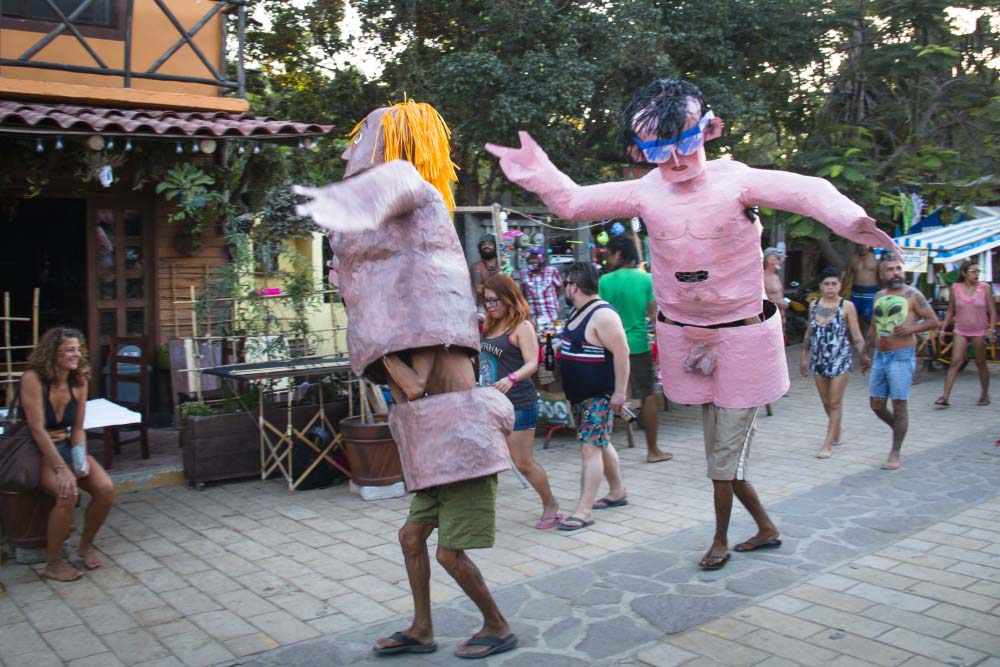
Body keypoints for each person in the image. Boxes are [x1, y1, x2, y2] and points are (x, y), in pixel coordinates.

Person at [486, 77, 898, 570]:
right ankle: (765, 527)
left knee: (720, 459)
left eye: (684, 142)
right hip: (684, 336)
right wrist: (540, 173)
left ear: (709, 130)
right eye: (658, 150)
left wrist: (850, 220)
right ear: (641, 151)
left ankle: (720, 539)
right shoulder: (645, 191)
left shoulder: (736, 179)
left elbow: (808, 190)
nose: (676, 160)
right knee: (722, 457)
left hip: (744, 336)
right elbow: (573, 203)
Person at [295, 100, 517, 659]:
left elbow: (414, 388)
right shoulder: (416, 309)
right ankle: (422, 628)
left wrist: (372, 349)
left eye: (359, 142)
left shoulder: (416, 194)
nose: (350, 153)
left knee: (448, 553)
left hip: (461, 443)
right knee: (411, 536)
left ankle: (497, 625)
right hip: (430, 440)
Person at [20, 327, 114, 582]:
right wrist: (61, 468)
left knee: (105, 488)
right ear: (53, 353)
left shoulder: (79, 380)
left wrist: (80, 458)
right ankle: (54, 563)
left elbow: (78, 428)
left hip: (66, 445)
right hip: (36, 451)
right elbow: (37, 429)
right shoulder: (33, 379)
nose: (76, 355)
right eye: (69, 350)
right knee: (67, 493)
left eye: (78, 349)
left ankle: (85, 545)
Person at [480, 274, 561, 528]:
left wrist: (511, 378)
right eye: (486, 301)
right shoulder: (491, 326)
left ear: (508, 298)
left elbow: (533, 362)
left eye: (494, 301)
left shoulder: (522, 326)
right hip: (491, 403)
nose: (490, 306)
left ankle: (551, 504)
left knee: (523, 463)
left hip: (518, 402)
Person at [556, 262, 630, 531]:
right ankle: (617, 490)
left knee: (590, 448)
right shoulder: (577, 311)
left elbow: (622, 353)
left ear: (574, 286)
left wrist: (620, 392)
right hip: (579, 395)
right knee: (599, 442)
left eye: (566, 284)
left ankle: (584, 510)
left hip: (598, 395)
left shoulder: (603, 315)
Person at [599, 235, 672, 463]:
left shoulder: (604, 282)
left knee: (606, 397)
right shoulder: (646, 280)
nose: (608, 257)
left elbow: (600, 316)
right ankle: (653, 451)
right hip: (638, 345)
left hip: (610, 345)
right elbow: (654, 316)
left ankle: (601, 450)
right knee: (647, 396)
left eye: (610, 252)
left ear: (619, 254)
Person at [867, 254, 939, 471]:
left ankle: (895, 452)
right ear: (882, 274)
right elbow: (873, 325)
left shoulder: (913, 295)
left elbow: (934, 320)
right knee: (876, 405)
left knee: (899, 406)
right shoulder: (879, 295)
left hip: (901, 356)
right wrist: (864, 352)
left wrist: (911, 329)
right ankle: (899, 429)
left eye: (898, 268)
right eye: (890, 269)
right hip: (880, 356)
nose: (896, 272)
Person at [800, 267, 869, 459]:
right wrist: (804, 356)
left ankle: (827, 443)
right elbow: (809, 333)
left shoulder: (846, 306)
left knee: (835, 402)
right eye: (826, 284)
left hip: (840, 358)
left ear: (840, 286)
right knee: (826, 401)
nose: (830, 288)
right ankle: (837, 428)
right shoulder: (814, 305)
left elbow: (856, 335)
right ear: (821, 286)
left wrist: (864, 355)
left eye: (834, 284)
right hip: (819, 359)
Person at [936, 259, 997, 407]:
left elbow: (992, 310)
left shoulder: (985, 287)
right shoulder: (955, 288)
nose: (976, 274)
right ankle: (945, 397)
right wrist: (943, 329)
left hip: (979, 330)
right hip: (960, 330)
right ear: (964, 273)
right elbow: (950, 310)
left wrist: (992, 329)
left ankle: (984, 394)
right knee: (955, 362)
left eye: (978, 271)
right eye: (973, 271)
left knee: (980, 363)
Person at [519, 246, 562, 331]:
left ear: (542, 259)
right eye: (531, 258)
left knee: (549, 341)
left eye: (536, 258)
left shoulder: (552, 271)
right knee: (536, 341)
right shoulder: (523, 273)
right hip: (533, 318)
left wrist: (553, 301)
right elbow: (523, 294)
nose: (533, 261)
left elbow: (559, 287)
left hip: (550, 316)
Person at [844, 245, 880, 329]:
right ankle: (860, 339)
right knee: (855, 318)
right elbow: (847, 276)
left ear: (869, 245)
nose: (862, 247)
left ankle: (872, 338)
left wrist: (883, 291)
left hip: (870, 293)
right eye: (860, 245)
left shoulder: (875, 257)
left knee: (869, 318)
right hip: (856, 292)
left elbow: (881, 275)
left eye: (865, 245)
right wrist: (841, 291)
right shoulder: (853, 258)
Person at [470, 233, 500, 308]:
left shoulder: (503, 264)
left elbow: (509, 286)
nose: (486, 246)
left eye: (490, 244)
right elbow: (478, 289)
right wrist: (499, 286)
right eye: (483, 245)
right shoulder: (476, 267)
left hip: (502, 306)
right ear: (480, 248)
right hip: (483, 307)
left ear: (495, 247)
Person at [763, 248, 786, 323]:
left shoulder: (776, 276)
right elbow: (761, 298)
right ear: (769, 259)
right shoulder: (762, 278)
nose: (781, 261)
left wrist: (784, 303)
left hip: (780, 316)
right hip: (770, 317)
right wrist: (778, 303)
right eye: (778, 258)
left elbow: (780, 295)